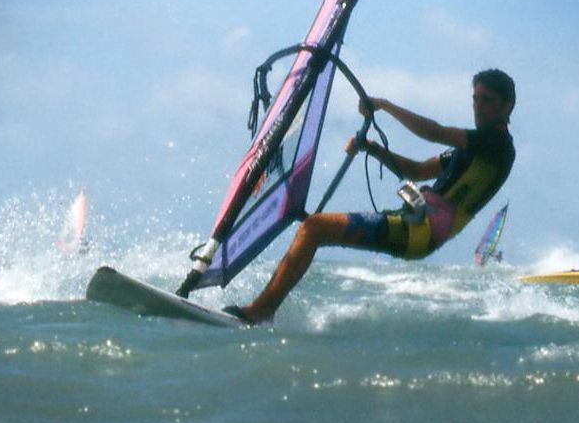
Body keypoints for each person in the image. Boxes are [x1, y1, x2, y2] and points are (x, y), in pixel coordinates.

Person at [220, 68, 516, 324]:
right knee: (315, 228)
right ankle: (262, 309)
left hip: (420, 233)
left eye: (487, 100)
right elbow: (418, 170)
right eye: (476, 99)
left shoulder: (497, 146)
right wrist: (373, 149)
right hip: (412, 224)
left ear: (507, 105)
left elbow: (434, 132)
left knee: (314, 227)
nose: (478, 107)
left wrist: (385, 105)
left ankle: (261, 311)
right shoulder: (472, 148)